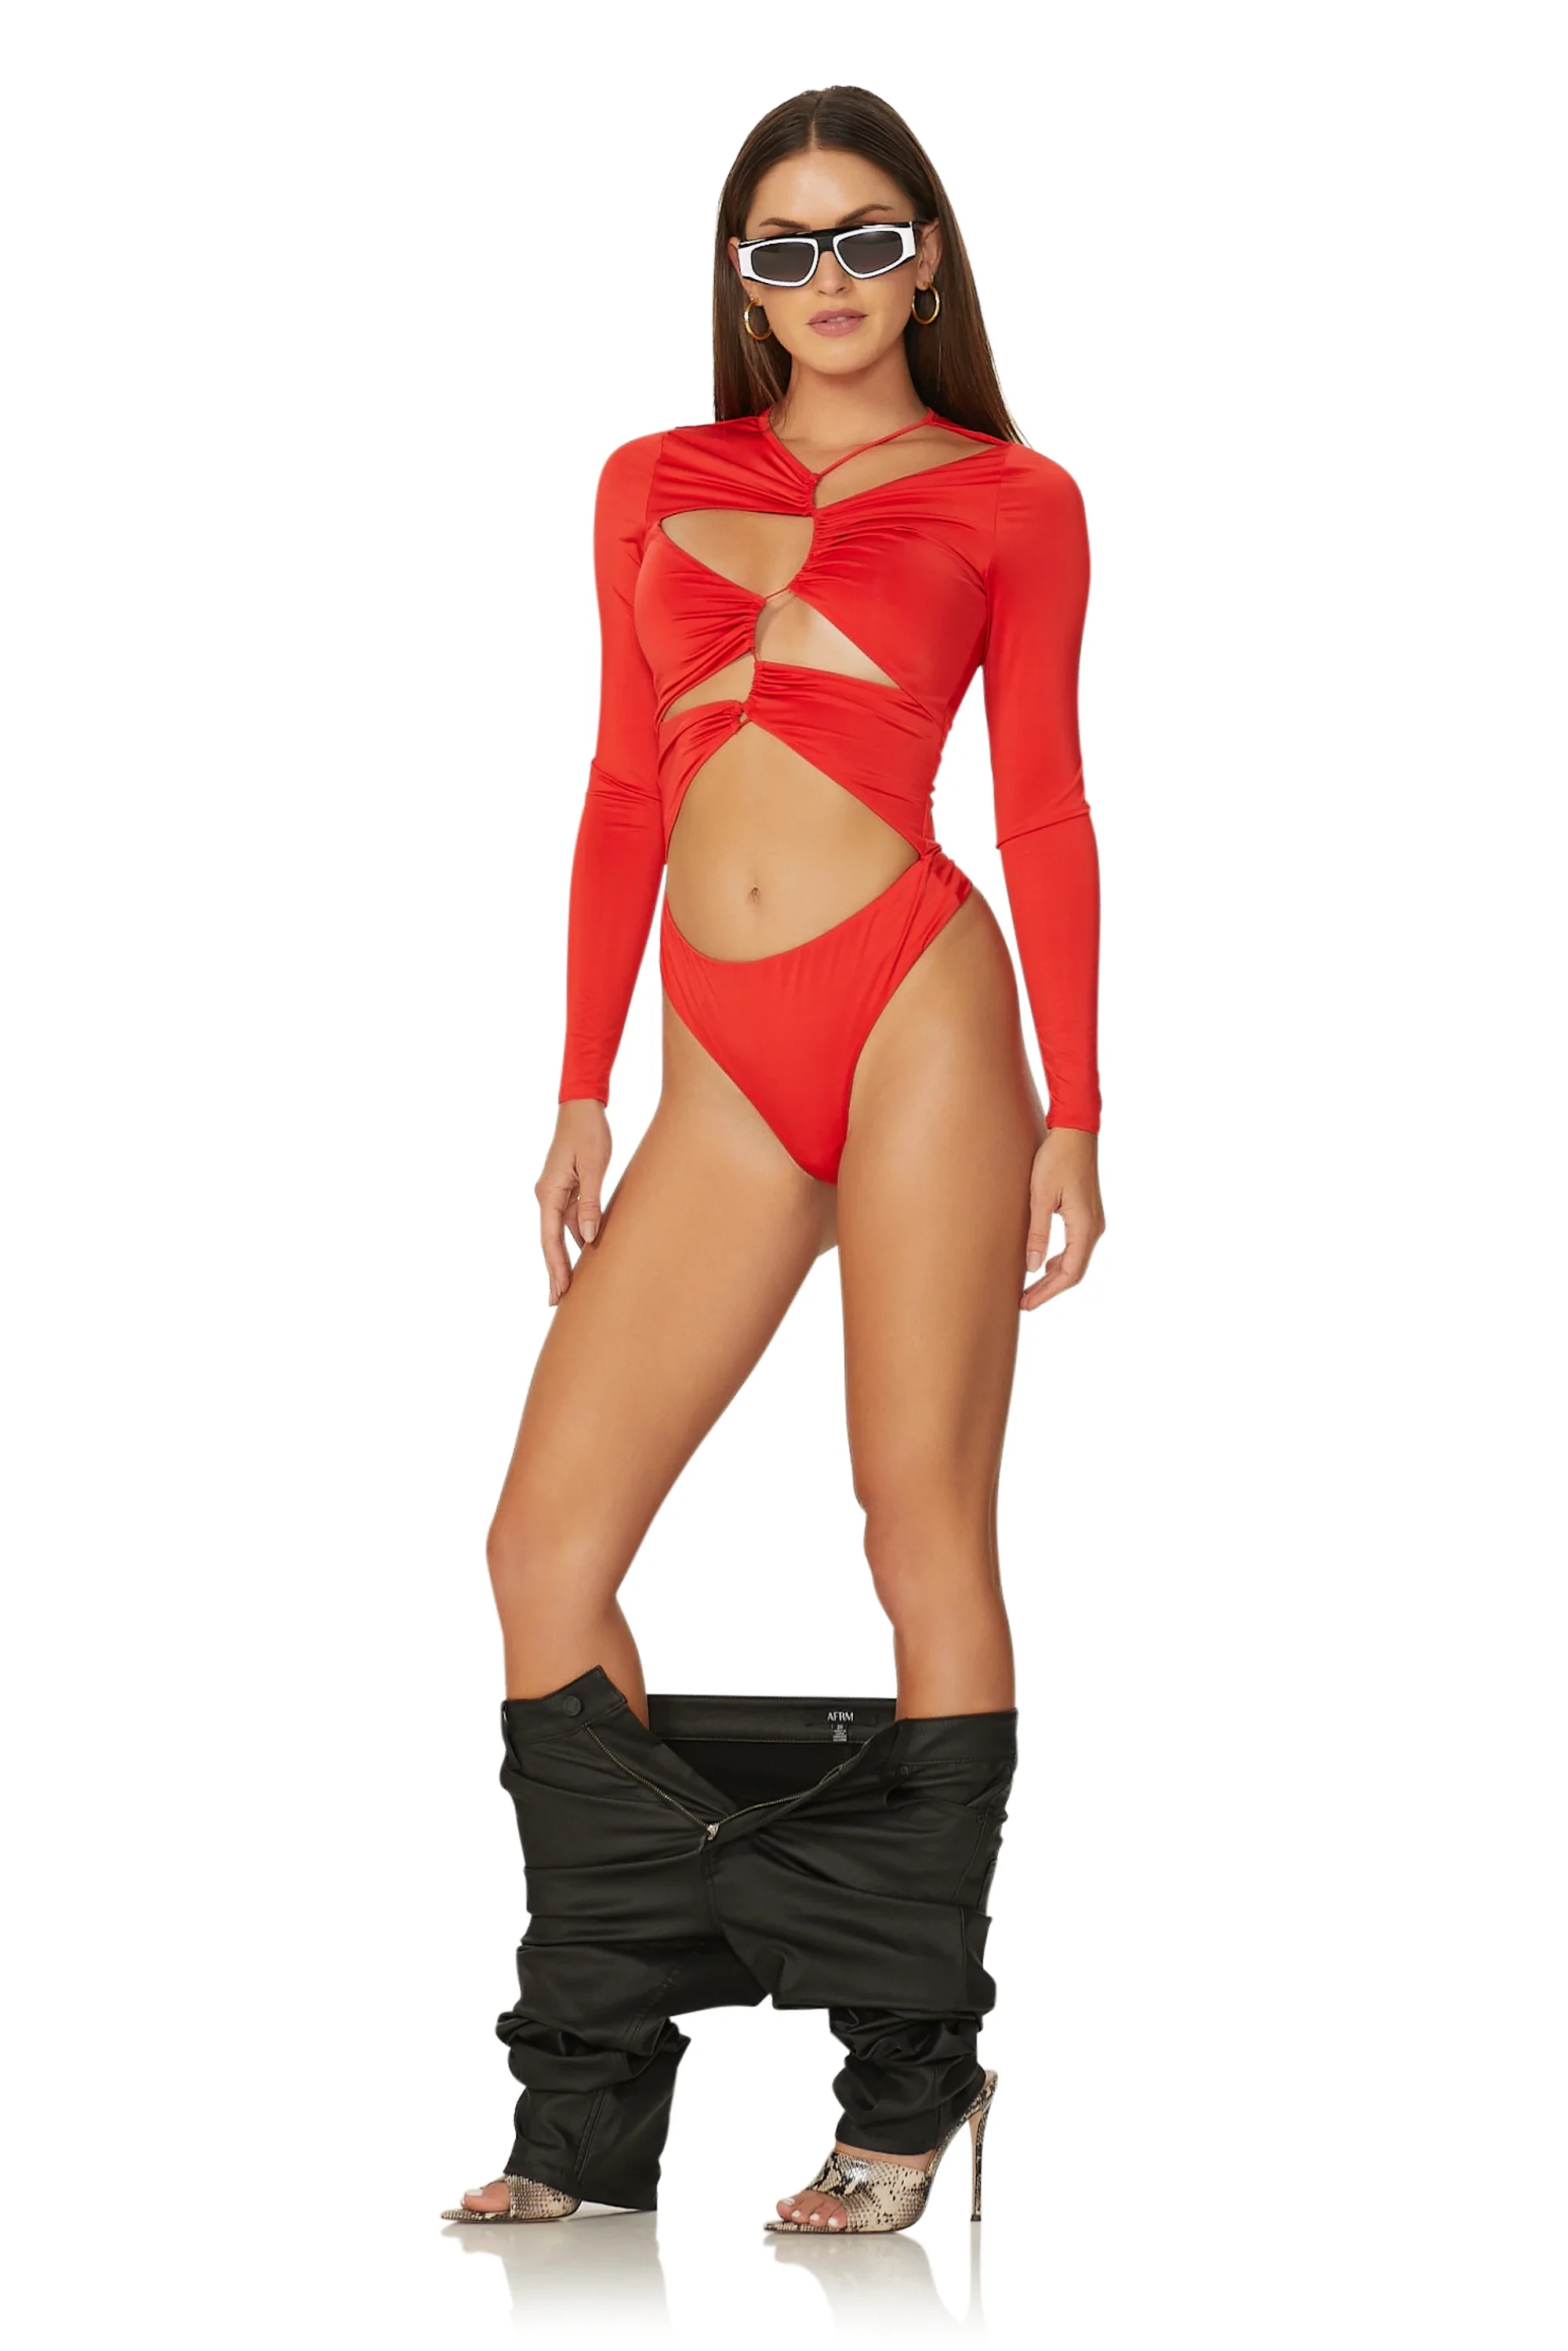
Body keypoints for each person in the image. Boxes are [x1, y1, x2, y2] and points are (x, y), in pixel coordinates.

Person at [445, 82, 1106, 2237]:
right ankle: (592, 2102)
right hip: (715, 1066)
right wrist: (579, 1082)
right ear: (740, 278)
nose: (829, 280)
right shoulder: (653, 479)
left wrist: (1079, 1107)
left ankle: (906, 2078)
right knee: (545, 1547)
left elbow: (1046, 805)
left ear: (929, 259)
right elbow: (620, 791)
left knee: (917, 1519)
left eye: (867, 239)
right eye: (785, 247)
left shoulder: (1014, 498)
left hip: (920, 1009)